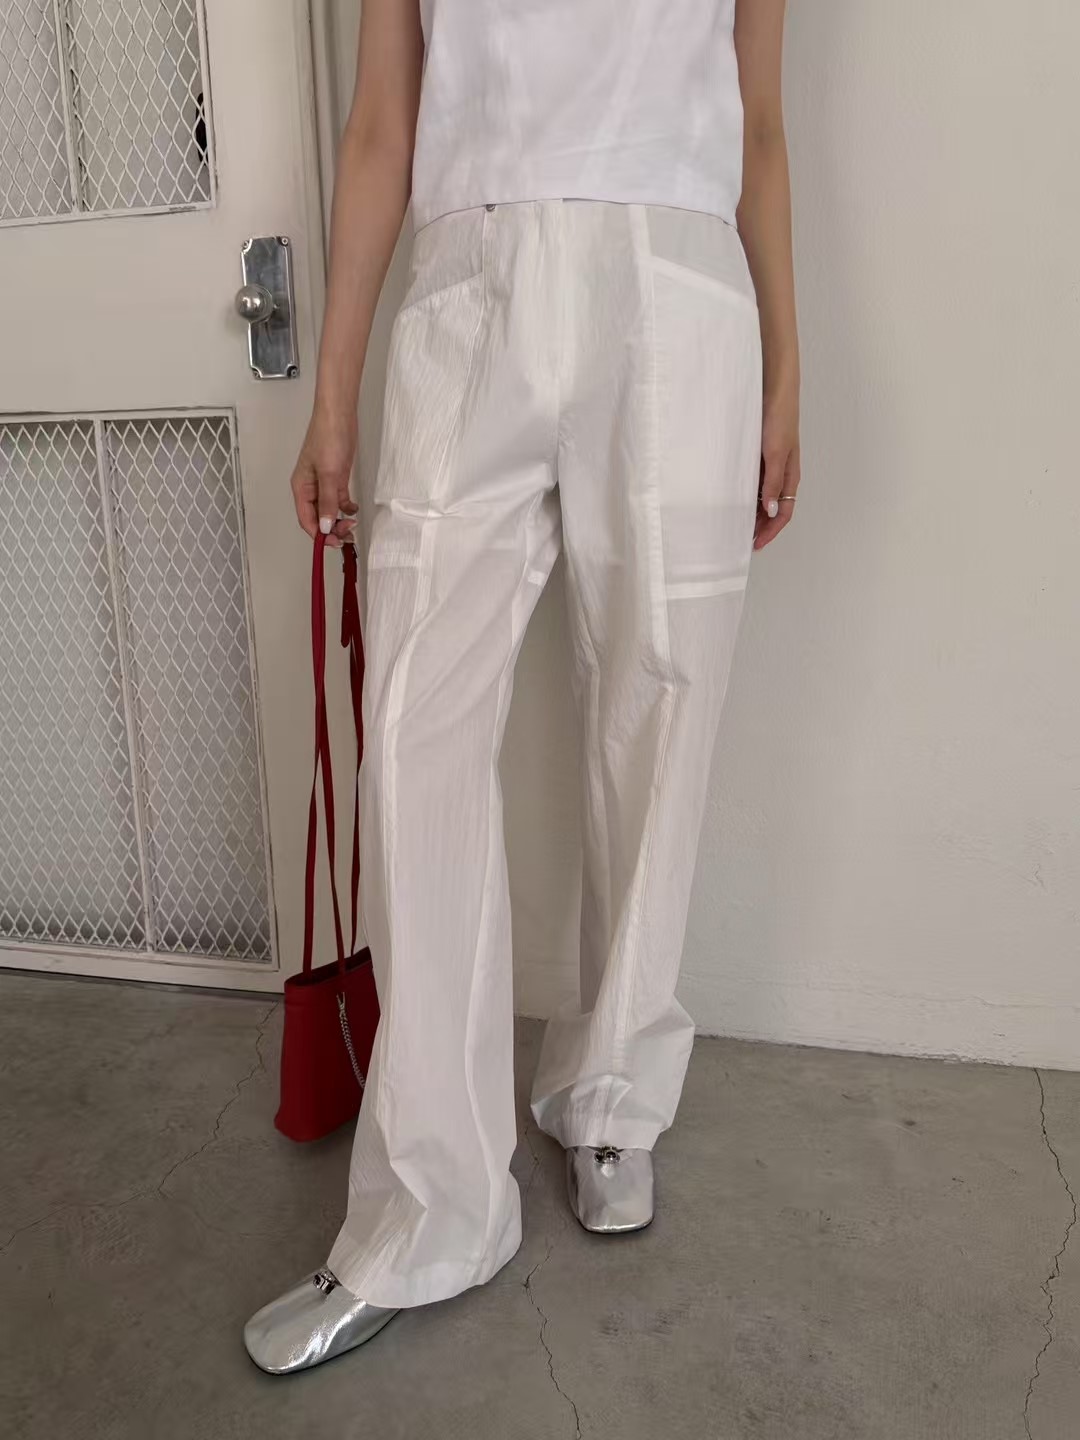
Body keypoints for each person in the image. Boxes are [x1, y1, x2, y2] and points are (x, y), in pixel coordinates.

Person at [244, 0, 801, 1373]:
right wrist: (335, 388)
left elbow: (758, 114)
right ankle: (433, 1206)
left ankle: (612, 1095)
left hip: (677, 278)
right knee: (415, 726)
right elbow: (383, 121)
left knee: (663, 705)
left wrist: (790, 366)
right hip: (468, 278)